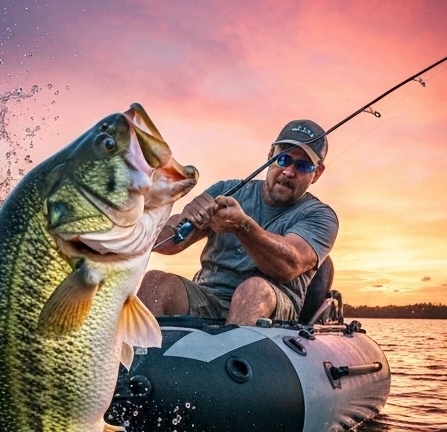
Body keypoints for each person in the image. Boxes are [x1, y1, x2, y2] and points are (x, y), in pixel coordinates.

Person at [139, 119, 339, 325]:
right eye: (283, 159)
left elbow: (289, 265)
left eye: (303, 165)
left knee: (253, 290)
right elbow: (171, 243)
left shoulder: (321, 216)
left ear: (317, 173)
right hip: (207, 295)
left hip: (273, 307)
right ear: (270, 156)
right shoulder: (226, 188)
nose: (289, 171)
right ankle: (139, 355)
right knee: (155, 282)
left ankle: (226, 354)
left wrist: (242, 227)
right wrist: (181, 218)